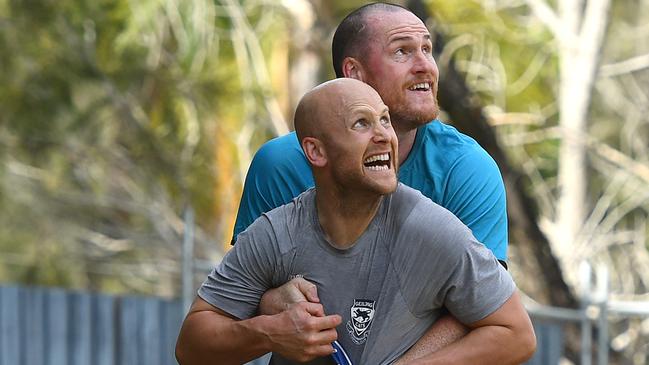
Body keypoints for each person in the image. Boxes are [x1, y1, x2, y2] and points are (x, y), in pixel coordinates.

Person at [175, 78, 536, 364]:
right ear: (316, 151)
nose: (384, 135)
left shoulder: (431, 229)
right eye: (362, 123)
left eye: (385, 121)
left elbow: (515, 333)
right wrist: (268, 333)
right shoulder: (277, 233)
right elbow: (191, 346)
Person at [232, 2, 510, 362]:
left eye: (427, 49)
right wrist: (274, 302)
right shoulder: (282, 164)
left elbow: (485, 306)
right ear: (354, 74)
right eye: (402, 52)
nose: (425, 64)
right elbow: (239, 293)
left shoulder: (467, 168)